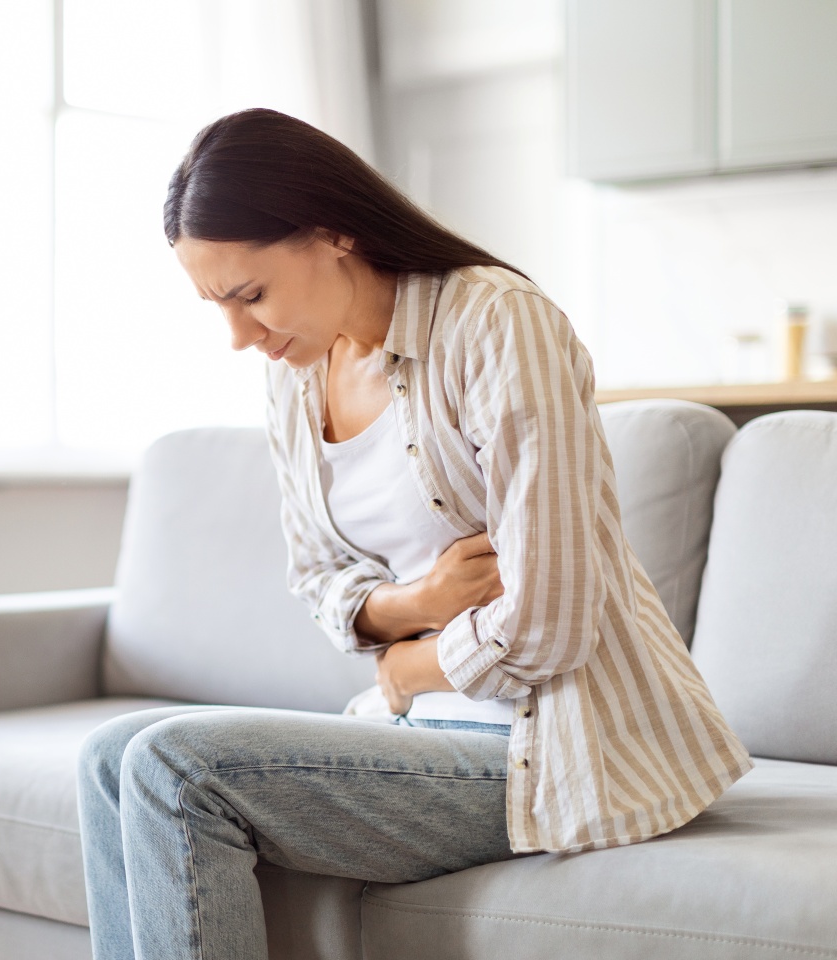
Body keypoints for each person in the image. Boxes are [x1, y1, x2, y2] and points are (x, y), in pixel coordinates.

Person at [76, 108, 753, 960]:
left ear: (332, 233)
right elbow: (319, 579)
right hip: (412, 731)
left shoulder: (498, 323)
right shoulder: (295, 374)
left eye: (250, 295)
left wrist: (404, 667)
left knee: (174, 764)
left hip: (545, 741)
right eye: (217, 305)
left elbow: (553, 621)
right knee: (110, 755)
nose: (240, 336)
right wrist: (413, 604)